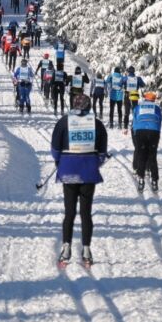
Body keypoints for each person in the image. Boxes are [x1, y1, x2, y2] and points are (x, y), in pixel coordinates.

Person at [51, 94, 108, 267]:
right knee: (86, 213)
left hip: (68, 171)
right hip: (88, 172)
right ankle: (86, 249)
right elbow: (102, 153)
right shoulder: (97, 124)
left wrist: (59, 162)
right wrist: (94, 163)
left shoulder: (63, 122)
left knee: (69, 212)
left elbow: (55, 148)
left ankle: (66, 247)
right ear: (89, 106)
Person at [131, 91, 162, 192]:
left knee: (141, 155)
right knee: (152, 156)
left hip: (140, 131)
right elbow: (160, 120)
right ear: (154, 100)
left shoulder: (139, 107)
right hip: (154, 132)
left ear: (145, 99)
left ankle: (141, 178)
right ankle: (154, 180)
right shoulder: (157, 108)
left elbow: (135, 118)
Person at [122, 66, 145, 133]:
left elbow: (120, 84)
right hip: (134, 97)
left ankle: (125, 127)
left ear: (128, 71)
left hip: (127, 96)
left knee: (126, 112)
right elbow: (143, 85)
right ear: (134, 71)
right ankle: (134, 126)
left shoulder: (125, 78)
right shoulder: (138, 78)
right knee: (135, 112)